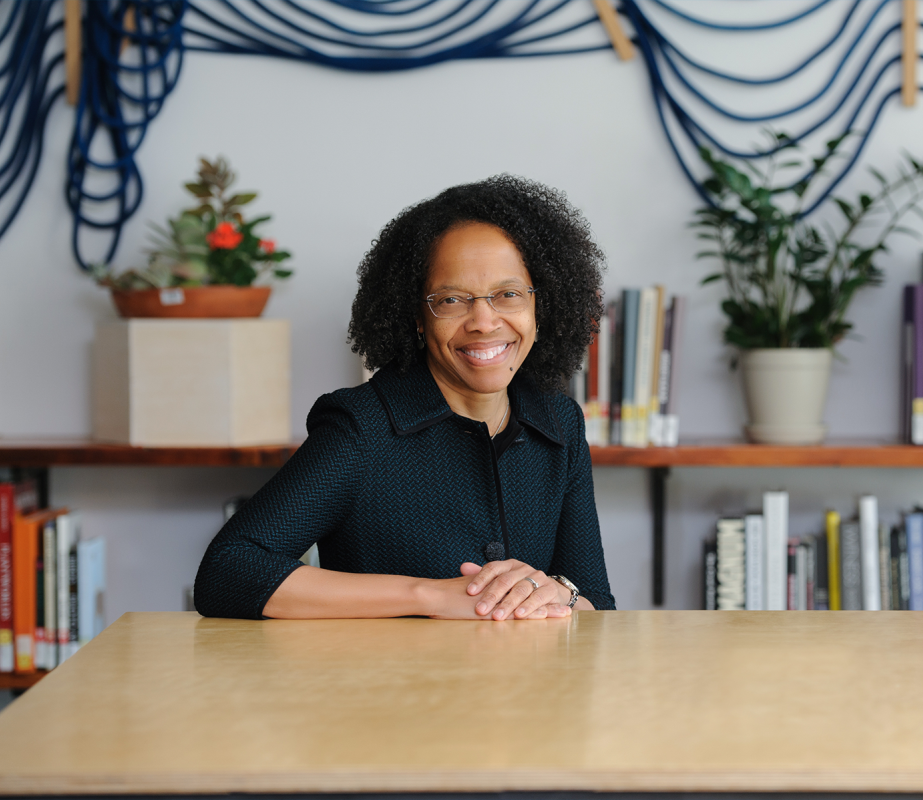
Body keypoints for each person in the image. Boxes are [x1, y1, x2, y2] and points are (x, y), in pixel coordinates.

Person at [194, 175, 616, 620]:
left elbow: (595, 605)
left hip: (526, 687)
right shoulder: (362, 427)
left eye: (508, 294)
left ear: (539, 306)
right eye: (452, 300)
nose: (484, 322)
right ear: (417, 317)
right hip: (391, 685)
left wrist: (558, 595)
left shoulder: (559, 421)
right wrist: (430, 596)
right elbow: (227, 572)